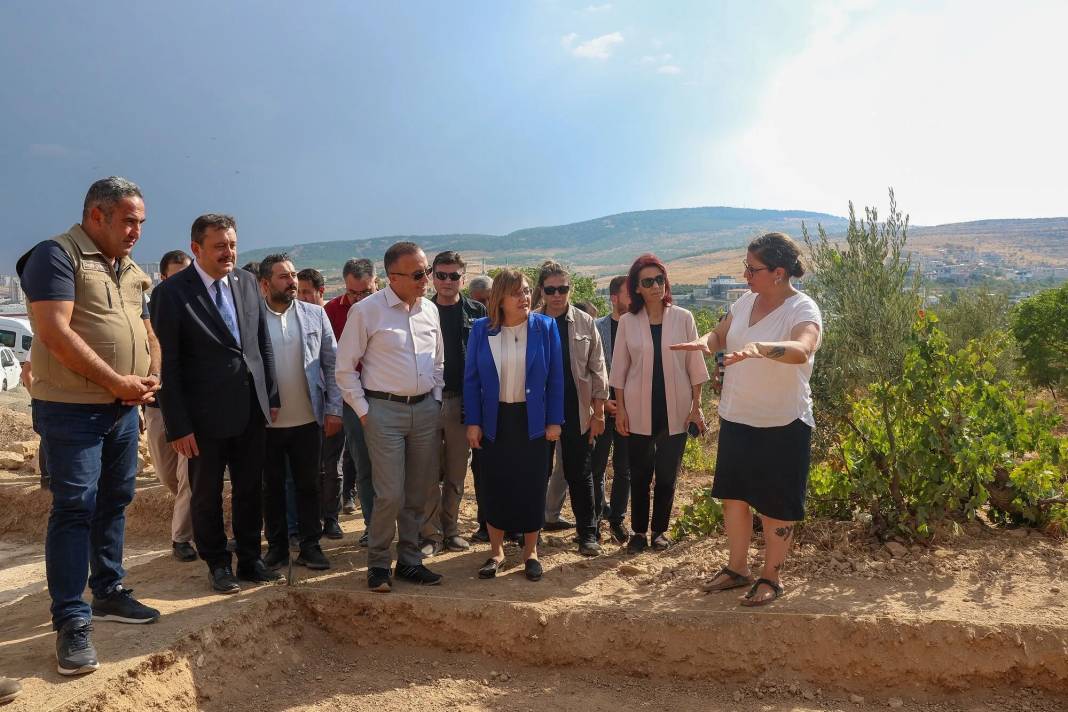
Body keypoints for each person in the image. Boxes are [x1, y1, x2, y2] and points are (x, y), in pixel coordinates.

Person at [16, 176, 161, 676]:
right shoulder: (57, 256)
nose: (136, 230)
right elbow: (54, 331)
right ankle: (71, 621)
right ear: (95, 215)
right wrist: (118, 381)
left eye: (141, 221)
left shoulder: (128, 268)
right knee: (75, 507)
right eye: (128, 220)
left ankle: (108, 590)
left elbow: (143, 329)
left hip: (122, 408)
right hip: (72, 409)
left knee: (115, 500)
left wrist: (148, 378)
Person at [673, 233, 821, 606]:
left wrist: (761, 349)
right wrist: (705, 342)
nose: (745, 274)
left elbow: (803, 349)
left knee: (777, 505)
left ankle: (771, 576)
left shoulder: (802, 309)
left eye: (752, 268)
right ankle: (737, 568)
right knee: (734, 499)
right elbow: (721, 334)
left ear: (778, 272)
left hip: (783, 421)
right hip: (738, 417)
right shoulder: (744, 302)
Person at [151, 213, 283, 594]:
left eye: (233, 245)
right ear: (197, 248)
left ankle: (250, 559)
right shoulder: (172, 293)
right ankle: (218, 563)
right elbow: (168, 365)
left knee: (249, 489)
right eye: (220, 246)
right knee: (205, 494)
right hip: (202, 420)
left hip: (250, 411)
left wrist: (269, 395)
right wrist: (178, 425)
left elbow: (261, 345)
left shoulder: (244, 282)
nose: (229, 253)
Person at [336, 242, 444, 592]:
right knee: (390, 494)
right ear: (392, 277)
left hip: (425, 410)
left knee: (417, 492)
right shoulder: (367, 311)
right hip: (383, 412)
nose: (425, 279)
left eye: (425, 271)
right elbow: (344, 369)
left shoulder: (430, 309)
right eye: (417, 274)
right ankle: (379, 564)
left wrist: (436, 399)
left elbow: (438, 361)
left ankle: (410, 561)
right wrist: (366, 412)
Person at [464, 269, 563, 581]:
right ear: (500, 298)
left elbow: (557, 378)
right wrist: (473, 422)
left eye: (526, 291)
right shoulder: (482, 329)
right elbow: (471, 380)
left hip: (532, 420)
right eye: (517, 292)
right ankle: (496, 552)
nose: (525, 297)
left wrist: (554, 420)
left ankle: (530, 552)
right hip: (494, 420)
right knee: (494, 485)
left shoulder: (546, 327)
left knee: (533, 484)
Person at [612, 254, 708, 554]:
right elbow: (619, 369)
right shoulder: (628, 322)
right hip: (638, 408)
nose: (655, 286)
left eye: (659, 279)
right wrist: (621, 409)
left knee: (667, 474)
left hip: (676, 408)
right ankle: (639, 532)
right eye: (647, 282)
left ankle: (660, 532)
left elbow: (695, 365)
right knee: (639, 473)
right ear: (637, 288)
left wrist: (696, 406)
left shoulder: (684, 318)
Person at [257, 255, 342, 571]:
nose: (291, 281)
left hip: (309, 419)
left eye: (293, 275)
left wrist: (334, 409)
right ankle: (277, 548)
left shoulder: (314, 314)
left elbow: (332, 364)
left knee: (309, 486)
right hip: (267, 424)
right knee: (272, 488)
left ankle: (310, 545)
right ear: (265, 283)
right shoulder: (251, 318)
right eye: (283, 276)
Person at [534, 262, 608, 556]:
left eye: (562, 289)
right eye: (550, 289)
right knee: (537, 473)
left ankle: (587, 534)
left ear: (570, 289)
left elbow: (599, 368)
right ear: (541, 290)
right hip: (539, 411)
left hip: (576, 410)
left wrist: (599, 413)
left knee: (581, 473)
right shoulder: (530, 323)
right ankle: (531, 532)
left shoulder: (585, 323)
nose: (557, 295)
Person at [419, 251, 486, 555]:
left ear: (463, 277)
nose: (447, 281)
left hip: (463, 403)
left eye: (454, 276)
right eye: (441, 275)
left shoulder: (477, 311)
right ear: (432, 275)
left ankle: (452, 531)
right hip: (428, 402)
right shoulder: (420, 310)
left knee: (458, 473)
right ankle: (429, 535)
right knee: (428, 474)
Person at [143, 249, 196, 562]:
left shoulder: (198, 312)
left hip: (191, 408)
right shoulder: (147, 316)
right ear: (163, 279)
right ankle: (199, 512)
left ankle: (182, 537)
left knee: (190, 475)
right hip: (156, 408)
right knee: (167, 474)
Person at [327, 258, 378, 539]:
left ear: (376, 283)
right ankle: (373, 527)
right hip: (352, 398)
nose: (358, 299)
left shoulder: (387, 308)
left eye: (365, 292)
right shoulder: (332, 311)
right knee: (364, 465)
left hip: (388, 397)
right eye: (352, 293)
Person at [296, 267, 346, 540]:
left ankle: (332, 518)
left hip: (330, 406)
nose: (302, 297)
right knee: (307, 469)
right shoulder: (292, 318)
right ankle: (310, 519)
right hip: (302, 410)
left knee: (332, 466)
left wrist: (334, 408)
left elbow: (333, 365)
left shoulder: (324, 317)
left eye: (307, 292)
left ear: (320, 292)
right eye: (299, 291)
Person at [591, 275, 633, 544]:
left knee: (624, 469)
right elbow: (590, 369)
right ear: (614, 298)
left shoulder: (640, 328)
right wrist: (604, 401)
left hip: (631, 410)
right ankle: (592, 522)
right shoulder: (596, 328)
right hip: (601, 410)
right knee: (595, 469)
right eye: (630, 293)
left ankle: (617, 520)